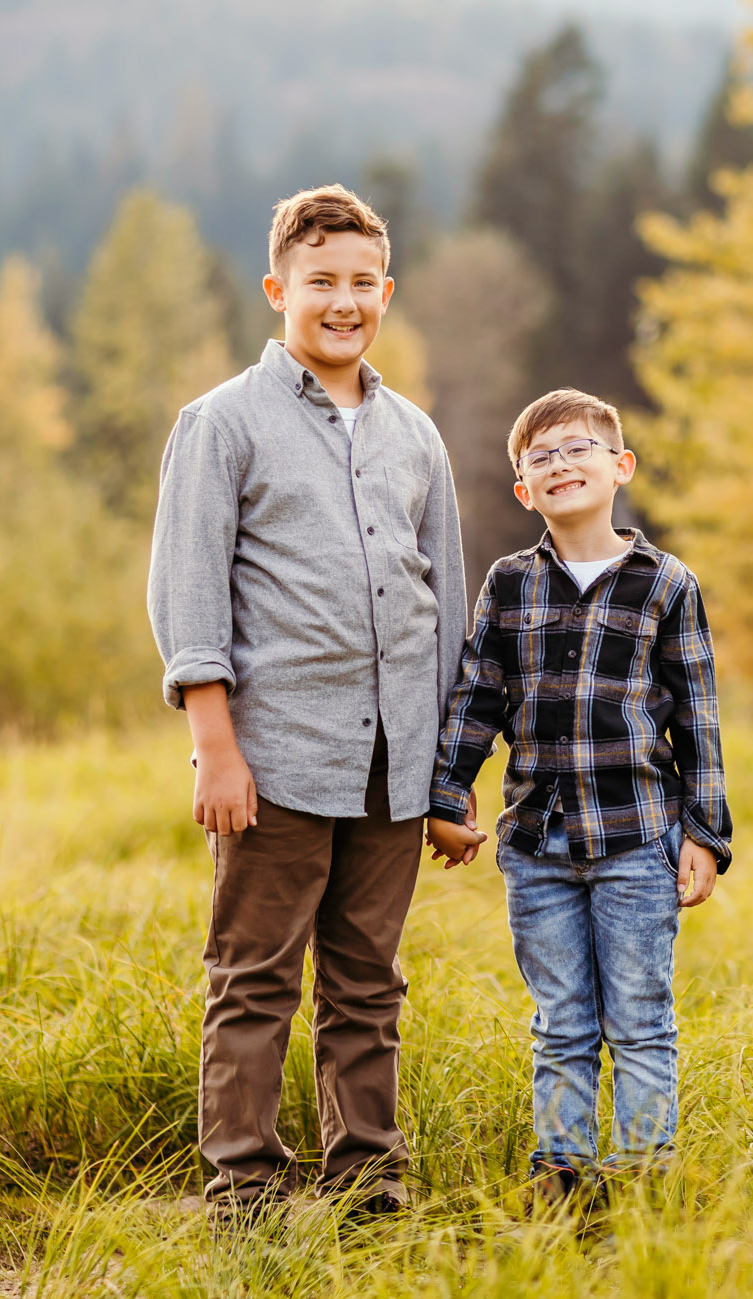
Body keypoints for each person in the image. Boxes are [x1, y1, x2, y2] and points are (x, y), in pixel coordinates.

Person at [147, 184, 474, 1222]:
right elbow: (189, 590)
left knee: (367, 985)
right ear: (276, 288)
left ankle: (367, 1179)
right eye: (318, 282)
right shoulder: (221, 423)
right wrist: (215, 745)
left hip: (393, 764)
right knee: (253, 980)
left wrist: (447, 777)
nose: (342, 302)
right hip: (274, 757)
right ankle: (243, 1184)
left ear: (387, 290)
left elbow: (448, 601)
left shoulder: (414, 435)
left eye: (360, 283)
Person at [426, 388, 732, 1209]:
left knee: (639, 1019)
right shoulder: (510, 584)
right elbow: (477, 697)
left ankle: (641, 1178)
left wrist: (705, 832)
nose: (561, 464)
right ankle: (562, 1177)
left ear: (619, 467)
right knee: (560, 1023)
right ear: (524, 490)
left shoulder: (666, 585)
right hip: (539, 848)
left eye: (578, 449)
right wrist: (448, 793)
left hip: (638, 842)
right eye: (541, 458)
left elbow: (697, 714)